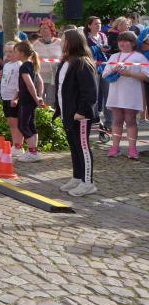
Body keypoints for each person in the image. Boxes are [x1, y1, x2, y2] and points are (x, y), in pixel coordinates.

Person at [55, 29, 98, 196]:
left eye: (63, 40)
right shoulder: (66, 62)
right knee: (74, 147)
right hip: (68, 114)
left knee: (83, 148)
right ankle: (77, 177)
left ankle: (88, 182)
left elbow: (90, 92)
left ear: (72, 42)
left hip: (80, 116)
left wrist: (81, 111)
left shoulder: (82, 63)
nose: (61, 42)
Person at [103, 31, 149, 159]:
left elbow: (147, 76)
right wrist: (113, 69)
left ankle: (132, 149)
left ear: (133, 43)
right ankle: (115, 147)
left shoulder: (139, 57)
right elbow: (104, 74)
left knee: (130, 120)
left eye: (125, 41)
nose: (122, 43)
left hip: (131, 94)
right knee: (117, 120)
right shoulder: (114, 57)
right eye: (120, 41)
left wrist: (129, 73)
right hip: (116, 93)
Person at [12, 41, 45, 162]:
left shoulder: (24, 67)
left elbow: (30, 85)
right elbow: (40, 82)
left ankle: (33, 152)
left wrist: (36, 97)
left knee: (23, 125)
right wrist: (39, 97)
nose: (14, 54)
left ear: (22, 53)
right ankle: (33, 151)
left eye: (15, 52)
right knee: (31, 125)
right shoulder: (32, 65)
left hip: (26, 101)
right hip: (30, 100)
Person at [84, 16, 111, 142]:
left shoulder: (103, 36)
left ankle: (109, 122)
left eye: (99, 23)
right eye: (95, 24)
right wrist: (98, 48)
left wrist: (105, 50)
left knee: (108, 94)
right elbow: (86, 52)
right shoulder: (85, 37)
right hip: (92, 69)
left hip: (104, 67)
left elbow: (105, 50)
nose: (98, 25)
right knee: (94, 95)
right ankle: (96, 120)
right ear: (89, 25)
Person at [0, 21, 28, 97]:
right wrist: (3, 63)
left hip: (17, 70)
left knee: (17, 92)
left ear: (18, 25)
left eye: (15, 23)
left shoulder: (23, 36)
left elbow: (26, 51)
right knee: (0, 94)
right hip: (0, 69)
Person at [0, 42, 22, 155]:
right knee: (11, 123)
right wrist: (0, 77)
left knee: (16, 123)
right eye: (6, 52)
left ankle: (18, 146)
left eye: (11, 52)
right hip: (5, 97)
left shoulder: (19, 65)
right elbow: (7, 80)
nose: (8, 54)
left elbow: (20, 83)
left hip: (13, 97)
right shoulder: (7, 65)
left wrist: (16, 97)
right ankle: (15, 145)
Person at [32, 19, 62, 108]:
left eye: (45, 28)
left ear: (51, 30)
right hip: (40, 76)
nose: (43, 30)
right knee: (40, 100)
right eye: (41, 28)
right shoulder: (36, 44)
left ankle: (50, 116)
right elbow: (32, 58)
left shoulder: (59, 42)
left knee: (51, 101)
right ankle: (40, 115)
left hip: (54, 77)